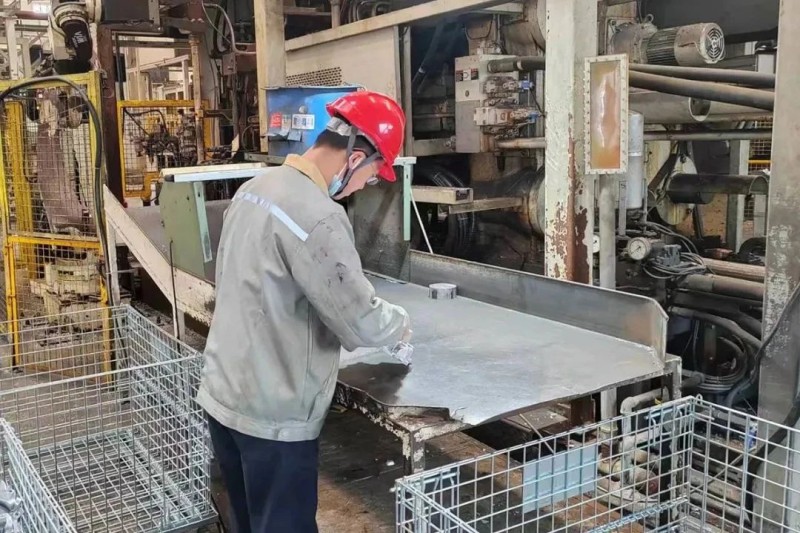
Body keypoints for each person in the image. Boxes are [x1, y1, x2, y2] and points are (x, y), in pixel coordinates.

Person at [195, 90, 412, 533]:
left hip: (224, 395)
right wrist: (402, 325)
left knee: (247, 522)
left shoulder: (254, 190)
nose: (363, 187)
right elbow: (359, 321)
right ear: (356, 158)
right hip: (273, 418)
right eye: (371, 177)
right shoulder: (318, 215)